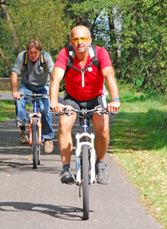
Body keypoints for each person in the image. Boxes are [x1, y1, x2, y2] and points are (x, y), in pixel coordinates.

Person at [50, 25, 121, 184]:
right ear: (71, 41)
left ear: (90, 41)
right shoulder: (65, 54)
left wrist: (115, 100)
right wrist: (54, 102)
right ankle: (66, 169)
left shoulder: (100, 53)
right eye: (76, 39)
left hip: (96, 98)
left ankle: (101, 164)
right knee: (64, 123)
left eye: (83, 39)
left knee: (103, 127)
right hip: (72, 98)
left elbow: (109, 76)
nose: (79, 42)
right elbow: (55, 79)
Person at [10, 40, 55, 153]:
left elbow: (54, 73)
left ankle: (48, 137)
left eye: (35, 52)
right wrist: (15, 91)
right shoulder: (22, 56)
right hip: (27, 86)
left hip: (43, 85)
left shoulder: (46, 57)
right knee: (19, 101)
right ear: (27, 51)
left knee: (46, 109)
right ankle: (22, 132)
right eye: (31, 52)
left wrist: (52, 92)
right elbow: (14, 73)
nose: (33, 55)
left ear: (40, 52)